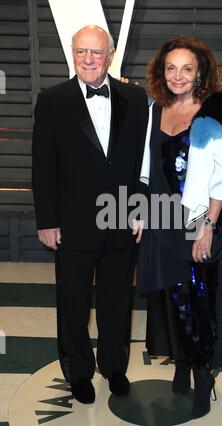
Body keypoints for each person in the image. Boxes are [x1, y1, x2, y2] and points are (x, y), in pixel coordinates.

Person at [137, 35, 222, 419]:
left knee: (205, 302)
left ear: (201, 71)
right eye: (170, 68)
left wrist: (206, 226)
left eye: (186, 68)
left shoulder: (217, 112)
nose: (178, 75)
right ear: (161, 71)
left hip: (200, 220)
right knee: (174, 298)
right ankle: (183, 363)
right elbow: (146, 167)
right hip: (163, 220)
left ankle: (204, 376)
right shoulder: (157, 109)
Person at [32, 25, 148, 404]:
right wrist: (47, 221)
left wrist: (139, 209)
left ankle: (114, 366)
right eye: (82, 51)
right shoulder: (51, 100)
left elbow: (140, 163)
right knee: (73, 303)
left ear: (110, 55)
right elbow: (42, 166)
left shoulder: (135, 97)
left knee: (117, 301)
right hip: (72, 223)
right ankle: (78, 371)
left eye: (96, 52)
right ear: (72, 52)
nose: (88, 59)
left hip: (120, 219)